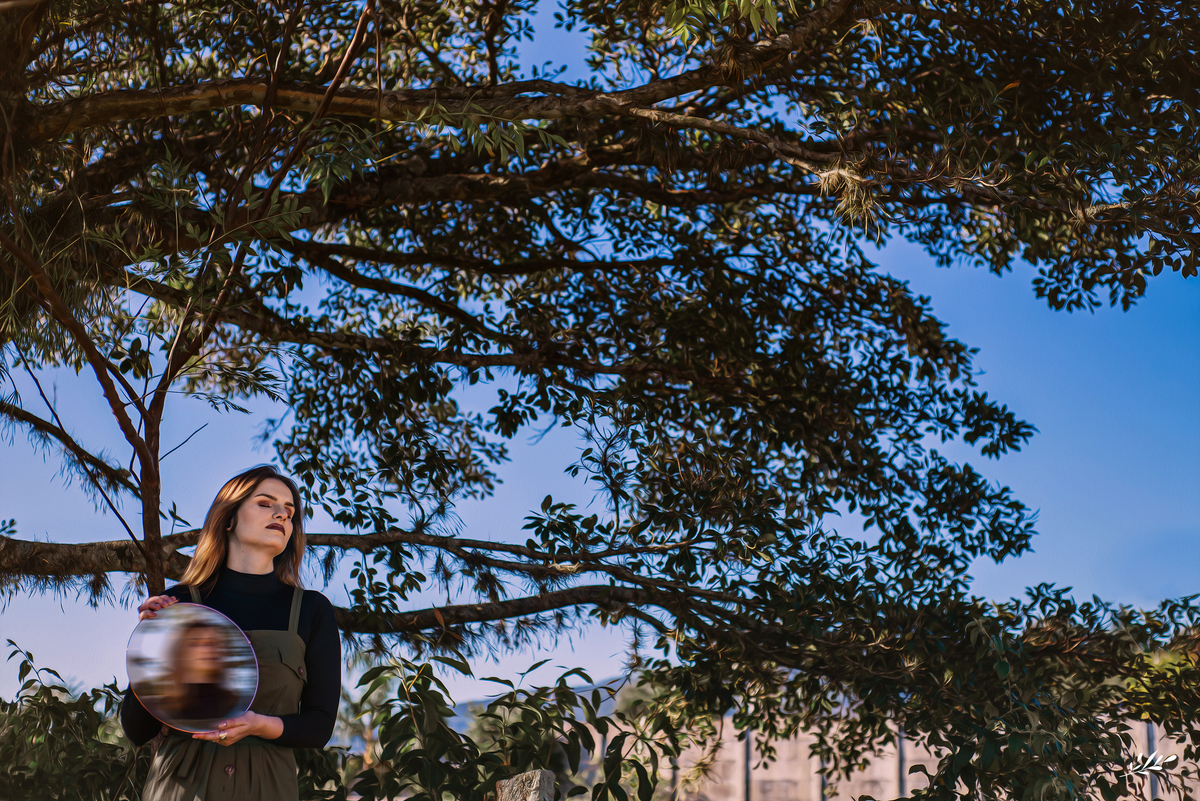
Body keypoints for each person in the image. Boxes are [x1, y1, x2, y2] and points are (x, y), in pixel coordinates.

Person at [121, 466, 342, 801]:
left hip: (268, 789)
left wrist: (260, 725)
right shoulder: (180, 603)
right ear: (229, 519)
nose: (282, 514)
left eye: (290, 511)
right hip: (180, 789)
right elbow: (137, 729)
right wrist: (151, 647)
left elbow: (320, 726)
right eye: (265, 504)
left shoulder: (312, 610)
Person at [161, 620, 240, 722]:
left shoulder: (237, 703)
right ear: (180, 653)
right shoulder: (163, 707)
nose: (208, 649)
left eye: (213, 643)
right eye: (195, 643)